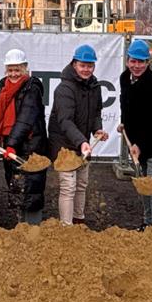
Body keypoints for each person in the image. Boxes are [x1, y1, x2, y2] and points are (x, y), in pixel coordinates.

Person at [0, 48, 48, 226]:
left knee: (32, 185)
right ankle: (20, 224)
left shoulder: (32, 88)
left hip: (30, 144)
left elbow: (25, 120)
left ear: (25, 69)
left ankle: (33, 225)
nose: (13, 74)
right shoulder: (3, 88)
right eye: (10, 70)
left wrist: (11, 144)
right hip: (9, 145)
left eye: (17, 70)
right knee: (15, 183)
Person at [49, 44, 108, 226]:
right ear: (74, 64)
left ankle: (78, 220)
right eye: (83, 65)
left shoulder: (94, 86)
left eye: (90, 66)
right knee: (68, 187)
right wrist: (82, 141)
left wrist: (97, 129)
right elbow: (65, 121)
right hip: (63, 144)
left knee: (82, 184)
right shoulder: (64, 89)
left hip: (82, 143)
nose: (86, 69)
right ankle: (66, 227)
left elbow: (97, 111)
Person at [119, 39, 152, 230]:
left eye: (141, 62)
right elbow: (126, 106)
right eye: (133, 61)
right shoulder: (125, 79)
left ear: (148, 62)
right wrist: (124, 123)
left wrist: (138, 143)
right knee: (143, 187)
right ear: (127, 61)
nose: (137, 66)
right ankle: (148, 224)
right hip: (137, 146)